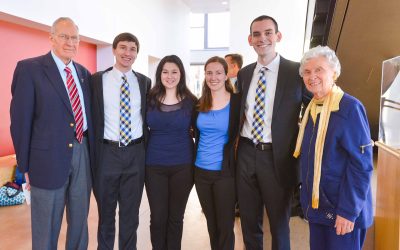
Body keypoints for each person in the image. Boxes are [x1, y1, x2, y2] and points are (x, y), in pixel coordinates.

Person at [10, 17, 93, 250]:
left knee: (79, 223)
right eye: (64, 36)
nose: (70, 42)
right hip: (46, 160)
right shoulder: (29, 69)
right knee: (46, 227)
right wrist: (23, 167)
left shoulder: (84, 74)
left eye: (74, 37)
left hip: (82, 152)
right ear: (52, 38)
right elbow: (20, 122)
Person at [236, 15, 311, 250]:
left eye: (268, 32)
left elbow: (314, 109)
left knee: (279, 225)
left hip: (278, 158)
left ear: (278, 36)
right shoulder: (245, 73)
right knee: (249, 223)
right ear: (250, 40)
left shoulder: (296, 72)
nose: (262, 38)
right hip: (246, 155)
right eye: (256, 34)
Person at [294, 45, 373, 250]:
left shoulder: (349, 108)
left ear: (334, 72)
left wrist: (348, 212)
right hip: (319, 208)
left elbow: (361, 166)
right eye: (307, 72)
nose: (312, 76)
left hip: (343, 211)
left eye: (319, 70)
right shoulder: (313, 108)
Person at [91, 32, 151, 249]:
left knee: (130, 215)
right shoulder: (97, 80)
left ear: (137, 53)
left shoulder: (144, 82)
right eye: (123, 47)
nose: (128, 53)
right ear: (114, 50)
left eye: (133, 49)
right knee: (106, 214)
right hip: (107, 154)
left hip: (135, 154)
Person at [145, 55, 197, 250]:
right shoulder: (149, 98)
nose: (170, 76)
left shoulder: (192, 101)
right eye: (165, 71)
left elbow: (200, 130)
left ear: (181, 74)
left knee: (175, 218)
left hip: (183, 166)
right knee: (158, 217)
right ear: (160, 74)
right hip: (154, 166)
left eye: (174, 71)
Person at [194, 56, 241, 250]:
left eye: (218, 72)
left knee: (225, 226)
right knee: (212, 226)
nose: (213, 77)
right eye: (209, 73)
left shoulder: (237, 103)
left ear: (226, 74)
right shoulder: (199, 104)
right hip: (200, 172)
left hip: (225, 173)